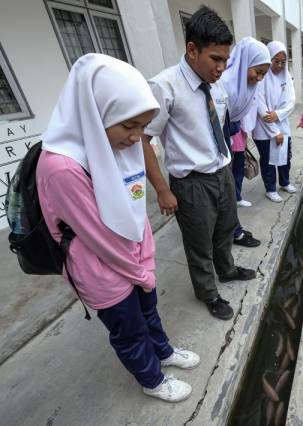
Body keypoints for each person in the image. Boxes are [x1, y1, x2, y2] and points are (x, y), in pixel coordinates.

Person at [37, 53, 200, 402]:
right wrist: (140, 272)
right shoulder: (61, 167)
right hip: (102, 269)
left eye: (143, 126)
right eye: (129, 126)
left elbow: (135, 207)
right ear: (97, 111)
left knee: (148, 311)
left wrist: (146, 260)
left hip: (135, 261)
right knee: (129, 329)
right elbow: (99, 238)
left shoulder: (114, 145)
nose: (137, 137)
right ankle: (152, 379)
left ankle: (163, 352)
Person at [142, 6, 256, 321]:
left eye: (225, 60)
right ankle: (208, 293)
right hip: (191, 183)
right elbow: (142, 139)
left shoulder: (215, 84)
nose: (221, 67)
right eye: (215, 59)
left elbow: (217, 125)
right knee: (199, 244)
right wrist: (163, 190)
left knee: (224, 230)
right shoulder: (164, 86)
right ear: (192, 49)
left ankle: (228, 270)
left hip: (220, 172)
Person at [221, 36, 271, 242]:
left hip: (230, 137)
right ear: (245, 63)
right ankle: (233, 233)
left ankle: (233, 229)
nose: (259, 78)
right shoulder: (225, 85)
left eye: (263, 74)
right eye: (257, 72)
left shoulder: (244, 84)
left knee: (229, 187)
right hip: (220, 142)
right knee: (225, 189)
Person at [253, 40, 297, 203]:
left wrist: (278, 115)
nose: (279, 65)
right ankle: (270, 189)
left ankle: (285, 182)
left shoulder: (287, 77)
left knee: (285, 156)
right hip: (264, 128)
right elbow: (260, 105)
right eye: (275, 61)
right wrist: (274, 131)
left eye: (283, 62)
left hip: (282, 123)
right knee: (268, 160)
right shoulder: (261, 77)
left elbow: (292, 102)